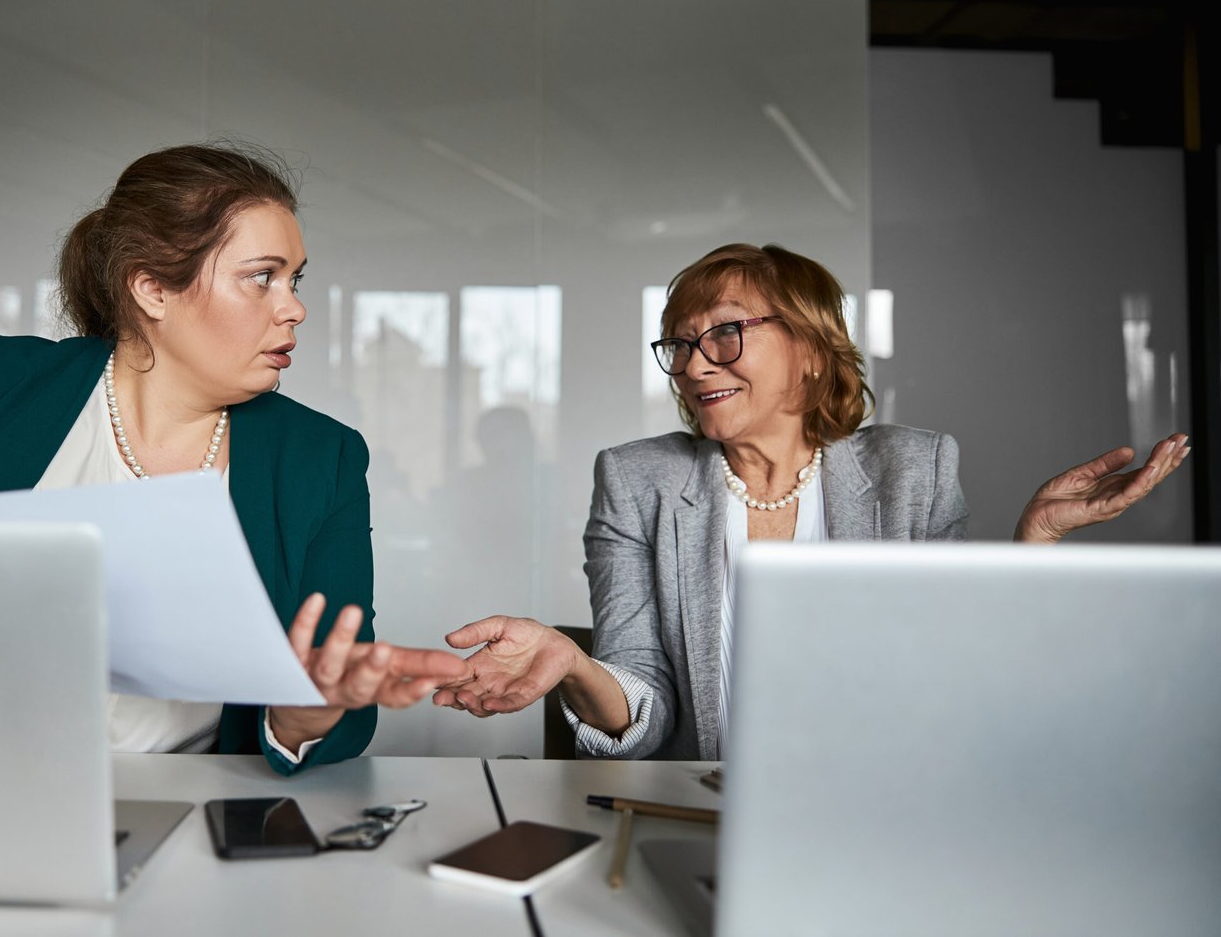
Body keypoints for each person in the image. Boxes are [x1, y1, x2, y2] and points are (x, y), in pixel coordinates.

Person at [433, 243, 1188, 761]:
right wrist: (574, 663)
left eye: (725, 334)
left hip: (882, 813)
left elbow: (959, 673)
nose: (696, 365)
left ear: (811, 347)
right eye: (681, 343)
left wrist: (1035, 541)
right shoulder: (639, 480)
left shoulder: (914, 470)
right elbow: (646, 699)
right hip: (700, 810)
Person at [0, 143, 466, 775]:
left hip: (191, 802)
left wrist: (304, 718)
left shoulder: (323, 458)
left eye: (294, 279)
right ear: (151, 289)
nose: (294, 307)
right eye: (262, 277)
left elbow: (339, 687)